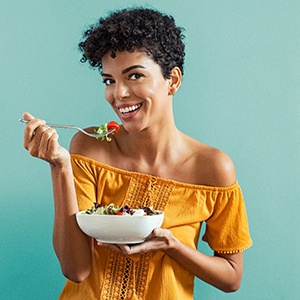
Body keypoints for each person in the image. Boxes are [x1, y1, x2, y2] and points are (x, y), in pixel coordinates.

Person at [22, 7, 252, 300]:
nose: (118, 94)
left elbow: (232, 277)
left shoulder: (213, 168)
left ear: (173, 80)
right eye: (109, 80)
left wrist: (173, 246)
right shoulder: (90, 147)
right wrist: (59, 167)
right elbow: (75, 269)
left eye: (135, 76)